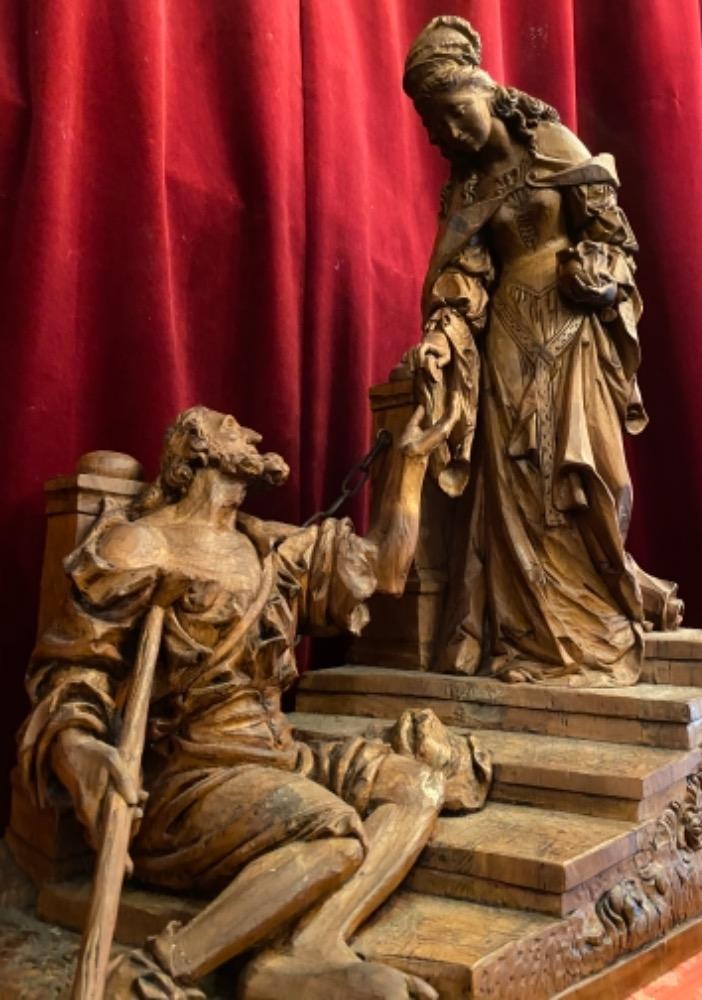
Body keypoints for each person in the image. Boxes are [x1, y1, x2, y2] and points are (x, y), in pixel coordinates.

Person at [18, 405, 489, 1000]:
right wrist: (80, 750)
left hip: (277, 763)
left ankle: (306, 949)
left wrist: (412, 462)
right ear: (195, 450)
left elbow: (387, 570)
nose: (252, 435)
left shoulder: (270, 550)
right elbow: (73, 670)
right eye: (232, 427)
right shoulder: (141, 543)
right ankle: (161, 968)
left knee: (417, 785)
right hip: (189, 786)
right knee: (331, 834)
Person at [403, 16, 683, 687]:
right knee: (515, 482)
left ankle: (604, 607)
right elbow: (463, 277)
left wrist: (599, 271)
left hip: (575, 322)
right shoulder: (467, 191)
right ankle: (527, 634)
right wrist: (444, 334)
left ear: (485, 91)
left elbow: (613, 235)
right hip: (508, 332)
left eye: (455, 113)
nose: (450, 134)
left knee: (588, 471)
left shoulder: (553, 145)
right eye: (436, 124)